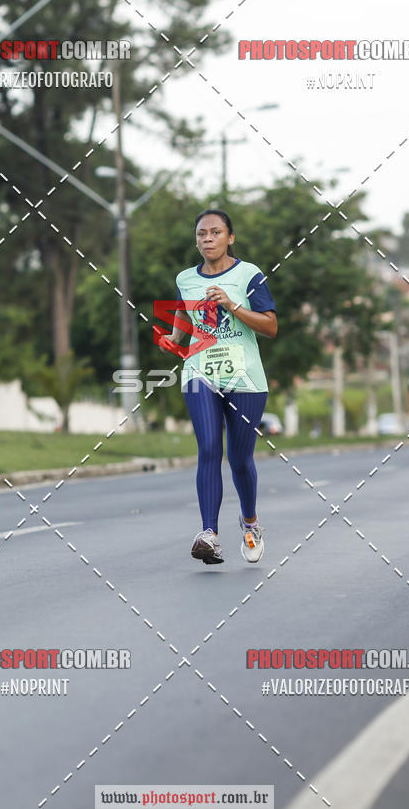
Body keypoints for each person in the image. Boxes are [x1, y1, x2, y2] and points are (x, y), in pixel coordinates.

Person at [158, 209, 278, 565]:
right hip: (201, 371)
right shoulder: (185, 278)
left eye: (215, 232)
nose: (207, 239)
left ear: (230, 237)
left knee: (240, 459)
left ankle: (251, 523)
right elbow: (183, 312)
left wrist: (232, 304)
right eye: (201, 234)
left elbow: (270, 327)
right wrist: (174, 338)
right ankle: (209, 534)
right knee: (209, 447)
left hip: (246, 377)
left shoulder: (249, 274)